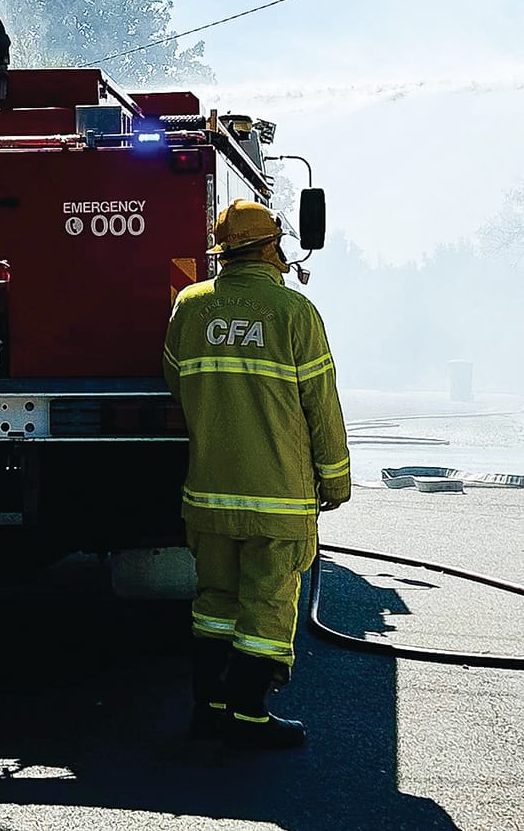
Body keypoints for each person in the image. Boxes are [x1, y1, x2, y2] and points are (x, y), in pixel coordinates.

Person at [163, 200, 351, 751]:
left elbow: (177, 383)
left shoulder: (189, 307)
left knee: (215, 604)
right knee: (267, 607)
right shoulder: (294, 313)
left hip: (209, 497)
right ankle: (248, 718)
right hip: (277, 500)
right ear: (272, 248)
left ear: (224, 252)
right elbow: (322, 405)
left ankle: (209, 709)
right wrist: (335, 480)